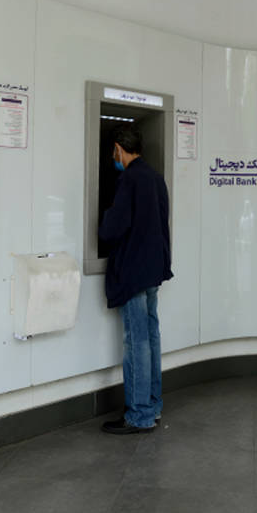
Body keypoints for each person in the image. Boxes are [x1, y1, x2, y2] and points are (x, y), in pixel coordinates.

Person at [98, 125, 173, 434]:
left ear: (118, 148)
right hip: (153, 268)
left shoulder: (128, 179)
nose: (112, 157)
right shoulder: (156, 178)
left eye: (112, 152)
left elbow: (111, 229)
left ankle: (139, 415)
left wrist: (105, 217)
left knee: (137, 341)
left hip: (133, 271)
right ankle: (152, 406)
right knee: (151, 337)